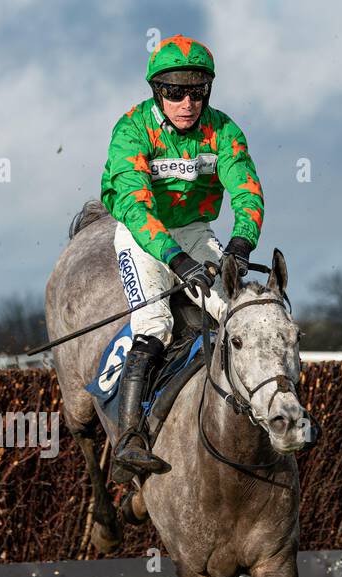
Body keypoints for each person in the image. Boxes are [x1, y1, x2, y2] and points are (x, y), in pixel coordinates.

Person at [100, 34, 265, 480]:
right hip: (142, 236)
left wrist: (241, 243)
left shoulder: (224, 131)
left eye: (198, 90)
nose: (187, 101)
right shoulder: (132, 130)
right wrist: (175, 259)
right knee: (156, 325)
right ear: (157, 91)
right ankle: (130, 439)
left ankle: (270, 414)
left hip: (194, 232)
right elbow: (135, 207)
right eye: (175, 91)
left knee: (237, 313)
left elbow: (246, 191)